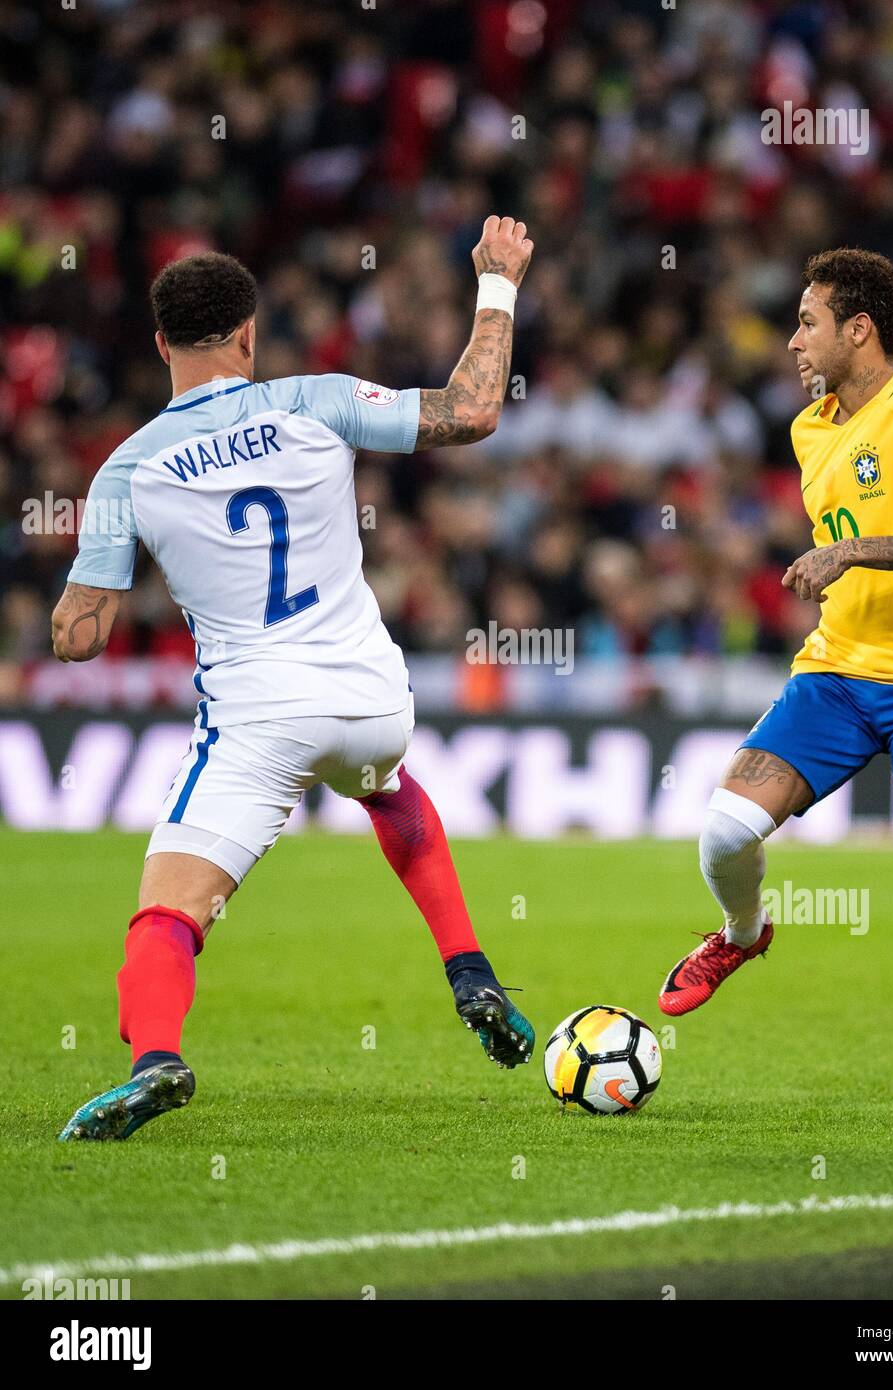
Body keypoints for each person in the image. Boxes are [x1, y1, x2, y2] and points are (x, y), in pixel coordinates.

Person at [53, 216, 536, 1142]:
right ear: (248, 335)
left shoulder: (127, 468)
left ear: (160, 344)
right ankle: (469, 968)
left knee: (167, 911)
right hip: (371, 699)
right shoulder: (317, 399)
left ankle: (156, 1059)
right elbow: (472, 410)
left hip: (260, 718)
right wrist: (498, 283)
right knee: (390, 789)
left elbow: (79, 636)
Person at [658, 249, 893, 1131]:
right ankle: (742, 935)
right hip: (837, 675)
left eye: (808, 321)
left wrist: (852, 550)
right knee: (722, 836)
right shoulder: (809, 430)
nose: (791, 340)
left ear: (860, 330)